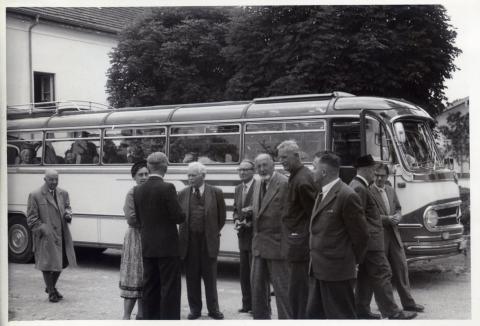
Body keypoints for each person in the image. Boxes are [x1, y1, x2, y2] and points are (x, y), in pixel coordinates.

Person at [349, 155, 417, 320]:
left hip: (369, 242)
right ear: (365, 169)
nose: (375, 173)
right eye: (373, 170)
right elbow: (359, 220)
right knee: (383, 274)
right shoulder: (360, 188)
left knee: (365, 276)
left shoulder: (358, 185)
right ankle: (392, 312)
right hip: (372, 243)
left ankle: (362, 310)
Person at [306, 151, 369, 319]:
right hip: (319, 269)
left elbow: (361, 236)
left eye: (314, 167)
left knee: (341, 316)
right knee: (315, 316)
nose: (312, 171)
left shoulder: (347, 195)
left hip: (337, 272)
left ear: (324, 172)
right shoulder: (322, 193)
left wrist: (349, 262)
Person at [134, 152, 185, 320]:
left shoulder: (138, 189)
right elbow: (179, 217)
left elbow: (140, 219)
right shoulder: (168, 188)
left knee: (150, 287)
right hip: (168, 247)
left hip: (148, 245)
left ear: (148, 167)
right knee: (170, 288)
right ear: (165, 167)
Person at [368, 164, 424, 313]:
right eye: (377, 175)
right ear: (373, 175)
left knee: (401, 269)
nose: (379, 178)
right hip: (379, 238)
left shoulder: (391, 190)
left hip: (394, 235)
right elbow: (367, 216)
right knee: (383, 274)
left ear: (387, 176)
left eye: (382, 176)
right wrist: (387, 219)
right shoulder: (368, 192)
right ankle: (387, 306)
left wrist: (398, 216)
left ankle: (409, 303)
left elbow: (398, 208)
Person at [178, 162, 226, 320]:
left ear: (203, 176)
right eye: (188, 175)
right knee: (192, 277)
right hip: (189, 242)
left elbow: (222, 218)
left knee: (210, 278)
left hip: (208, 241)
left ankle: (213, 309)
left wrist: (211, 233)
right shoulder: (183, 193)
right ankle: (195, 309)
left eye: (193, 175)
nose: (190, 178)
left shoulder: (216, 192)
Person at [277, 140, 317, 319]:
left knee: (299, 291)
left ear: (296, 155)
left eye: (284, 157)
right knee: (296, 290)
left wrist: (299, 235)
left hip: (299, 245)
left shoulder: (302, 180)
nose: (281, 161)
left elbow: (314, 215)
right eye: (279, 158)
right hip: (295, 242)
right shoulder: (297, 175)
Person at [250, 153, 292, 319]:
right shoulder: (258, 183)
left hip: (278, 247)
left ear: (273, 164)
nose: (261, 169)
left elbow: (289, 216)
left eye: (265, 165)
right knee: (258, 292)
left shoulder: (284, 183)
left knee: (283, 293)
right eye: (258, 166)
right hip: (259, 247)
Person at [26, 169, 77, 302]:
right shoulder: (35, 195)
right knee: (47, 264)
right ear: (45, 179)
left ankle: (50, 287)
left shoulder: (63, 193)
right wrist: (44, 229)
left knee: (62, 262)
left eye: (56, 179)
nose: (54, 182)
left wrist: (68, 214)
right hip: (46, 236)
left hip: (62, 234)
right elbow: (31, 219)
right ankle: (52, 292)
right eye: (51, 179)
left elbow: (68, 207)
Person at [119, 161, 149, 319]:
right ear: (134, 177)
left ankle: (142, 315)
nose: (144, 177)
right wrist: (150, 223)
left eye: (146, 174)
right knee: (133, 276)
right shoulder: (132, 193)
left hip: (148, 237)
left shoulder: (151, 192)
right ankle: (126, 316)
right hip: (135, 238)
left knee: (144, 277)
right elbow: (131, 218)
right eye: (140, 175)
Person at [232, 159, 256, 313]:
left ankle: (257, 305)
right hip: (242, 236)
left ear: (253, 171)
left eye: (245, 170)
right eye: (240, 170)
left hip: (255, 235)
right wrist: (235, 220)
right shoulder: (238, 188)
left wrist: (249, 223)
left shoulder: (260, 187)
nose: (242, 172)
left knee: (256, 273)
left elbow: (262, 211)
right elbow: (236, 209)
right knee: (244, 273)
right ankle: (246, 304)